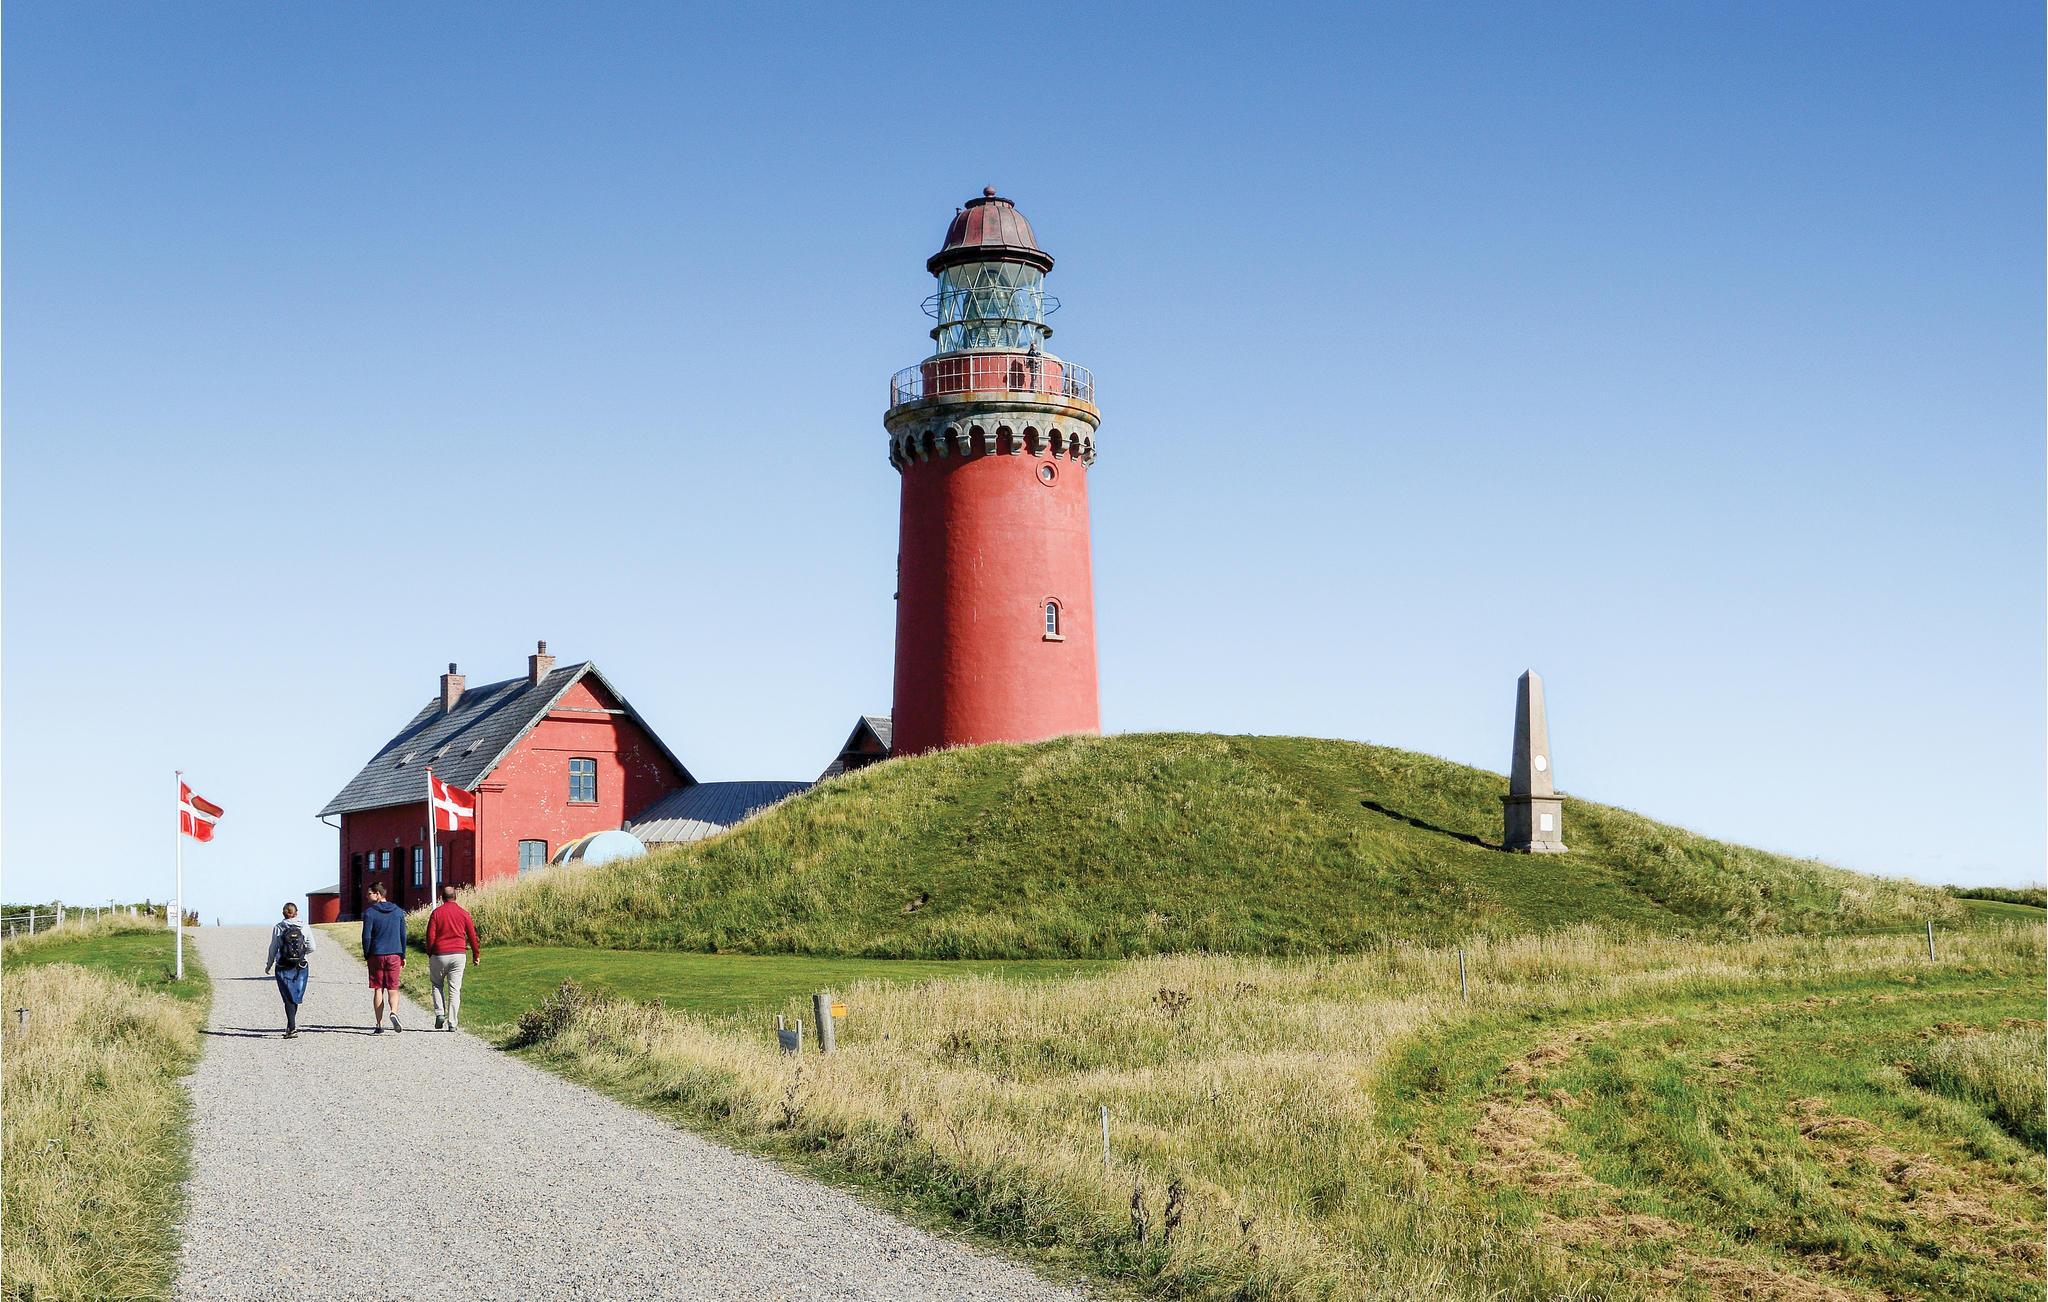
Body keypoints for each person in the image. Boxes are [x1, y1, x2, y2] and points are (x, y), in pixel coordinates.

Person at [423, 884, 482, 1031]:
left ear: (442, 898)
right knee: (454, 989)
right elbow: (472, 936)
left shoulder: (436, 913)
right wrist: (476, 954)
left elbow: (430, 936)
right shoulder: (464, 913)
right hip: (458, 954)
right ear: (455, 897)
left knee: (437, 984)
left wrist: (430, 953)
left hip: (439, 954)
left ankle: (440, 1013)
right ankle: (452, 1022)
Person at [359, 881, 409, 1033]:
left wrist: (367, 953)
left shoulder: (369, 913)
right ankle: (393, 1012)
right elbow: (403, 935)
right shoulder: (398, 911)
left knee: (378, 989)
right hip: (394, 953)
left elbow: (366, 937)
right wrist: (403, 954)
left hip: (376, 954)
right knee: (393, 988)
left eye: (369, 893)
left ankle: (379, 1024)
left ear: (378, 894)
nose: (367, 896)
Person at [262, 901, 315, 1038]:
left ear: (284, 913)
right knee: (295, 996)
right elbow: (312, 947)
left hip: (283, 966)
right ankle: (291, 1026)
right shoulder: (304, 926)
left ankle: (291, 1027)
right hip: (301, 966)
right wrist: (301, 954)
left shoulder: (279, 927)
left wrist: (269, 964)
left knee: (288, 997)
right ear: (296, 912)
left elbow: (273, 947)